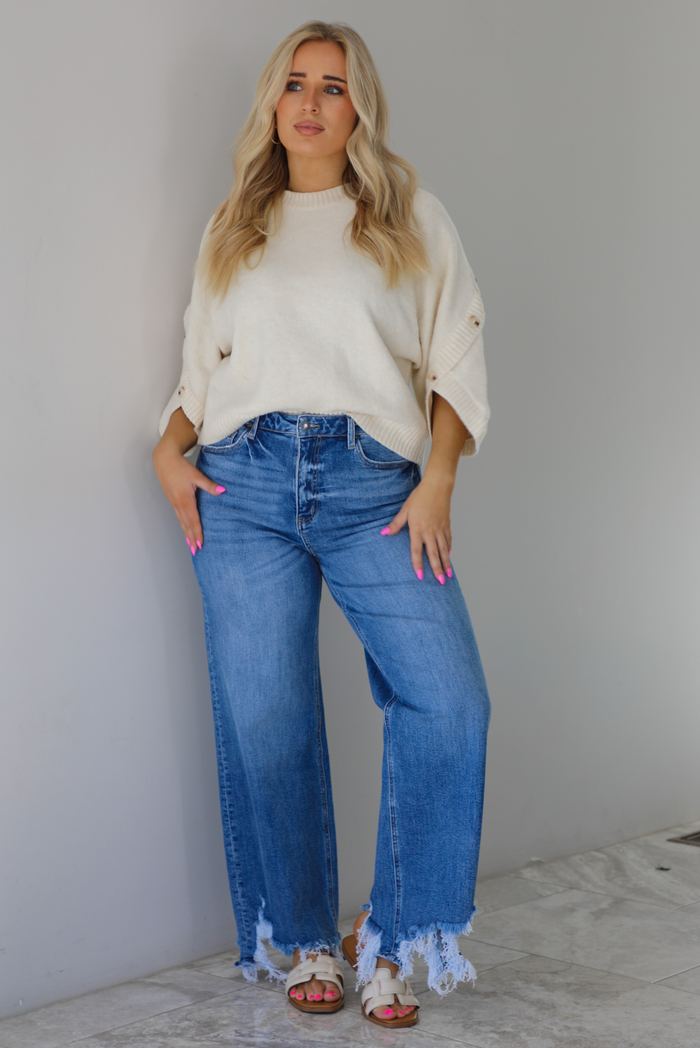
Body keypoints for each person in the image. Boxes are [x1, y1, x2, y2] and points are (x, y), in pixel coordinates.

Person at [152, 19, 491, 1031]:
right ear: (271, 103)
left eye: (332, 86)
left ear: (360, 109)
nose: (309, 101)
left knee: (448, 700)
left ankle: (387, 937)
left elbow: (455, 362)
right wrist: (166, 453)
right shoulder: (233, 224)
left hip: (375, 486)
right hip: (241, 484)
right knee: (267, 715)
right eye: (293, 83)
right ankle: (306, 934)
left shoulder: (410, 218)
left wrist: (436, 480)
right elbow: (197, 372)